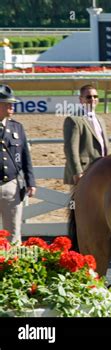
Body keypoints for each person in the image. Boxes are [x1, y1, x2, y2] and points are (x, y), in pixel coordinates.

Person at [0, 84, 36, 243]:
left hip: (11, 186)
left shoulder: (17, 127)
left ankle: (13, 266)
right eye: (7, 103)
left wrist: (30, 182)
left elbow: (25, 156)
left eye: (12, 103)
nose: (11, 106)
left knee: (13, 234)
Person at [63, 84, 109, 185]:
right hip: (83, 173)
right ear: (81, 99)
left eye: (95, 96)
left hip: (101, 170)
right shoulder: (73, 120)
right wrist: (77, 173)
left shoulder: (100, 119)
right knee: (77, 201)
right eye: (88, 97)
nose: (92, 99)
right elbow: (70, 149)